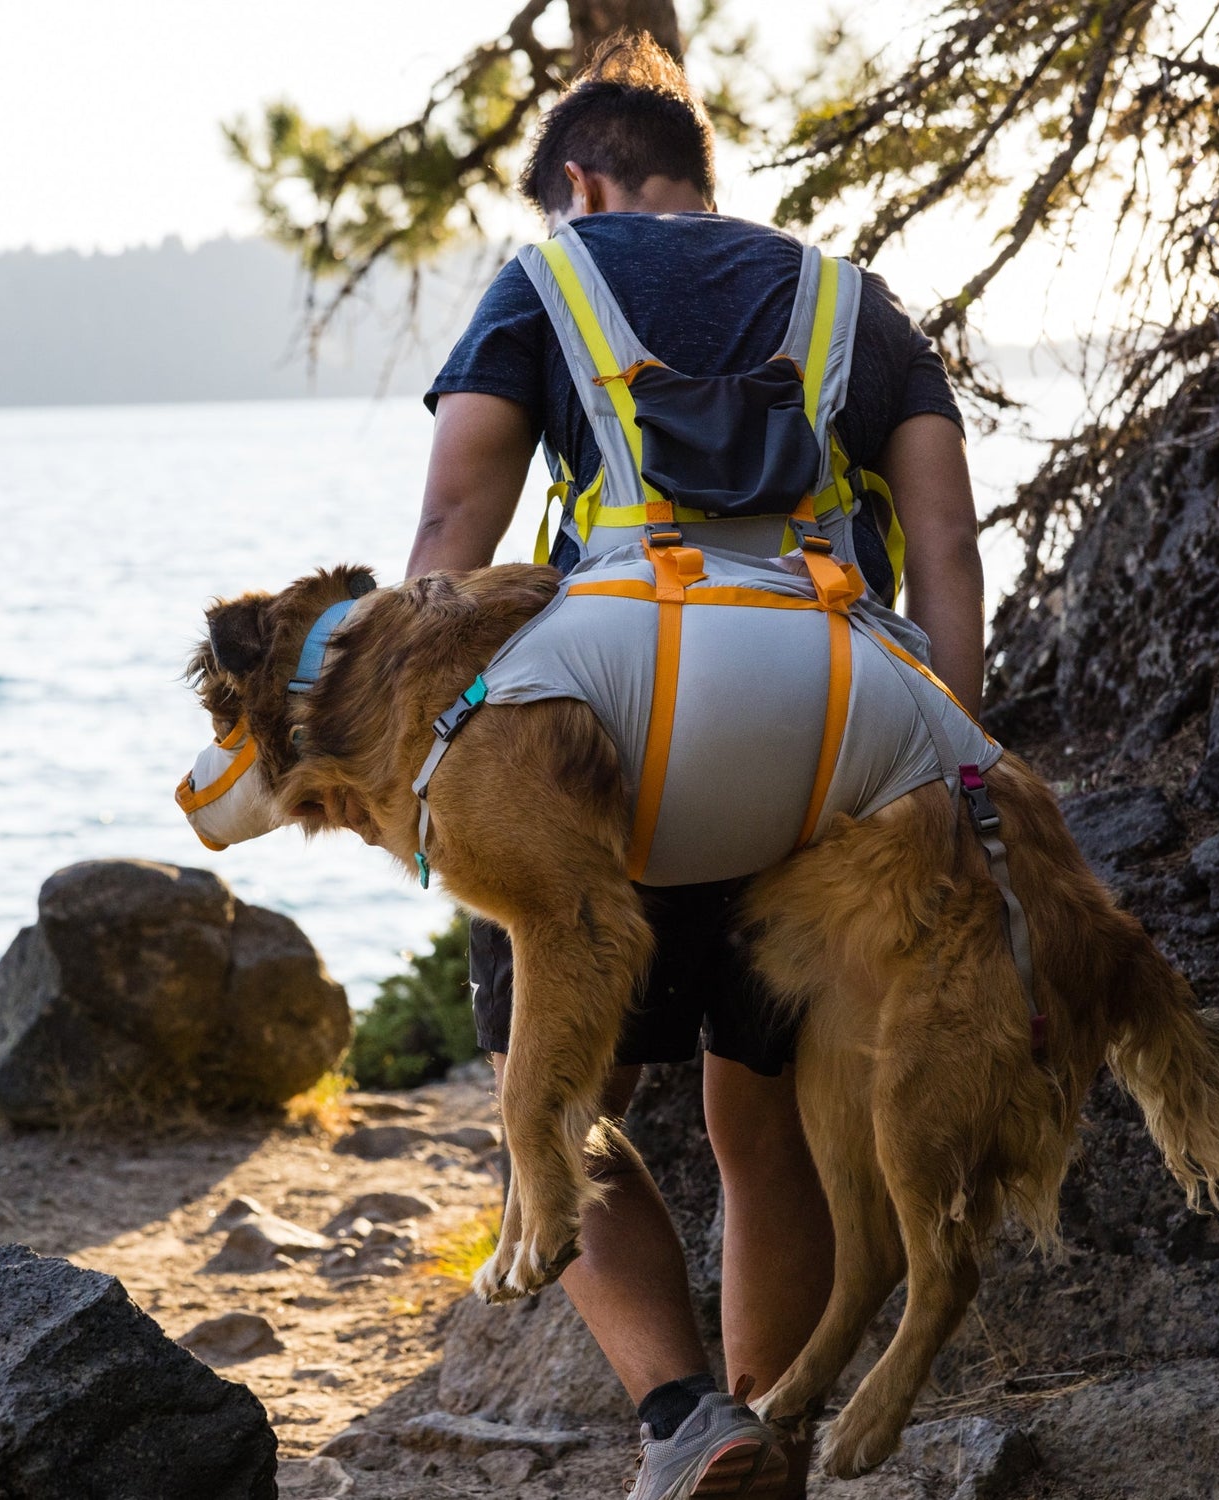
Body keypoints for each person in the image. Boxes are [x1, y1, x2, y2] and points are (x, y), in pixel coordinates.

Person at [407, 33, 985, 1500]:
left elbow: (448, 537)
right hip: (835, 731)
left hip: (619, 729)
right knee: (759, 1101)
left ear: (583, 183)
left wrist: (435, 783)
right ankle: (767, 1409)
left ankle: (681, 1421)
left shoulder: (552, 277)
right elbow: (947, 550)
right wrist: (954, 774)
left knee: (554, 1103)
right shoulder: (857, 301)